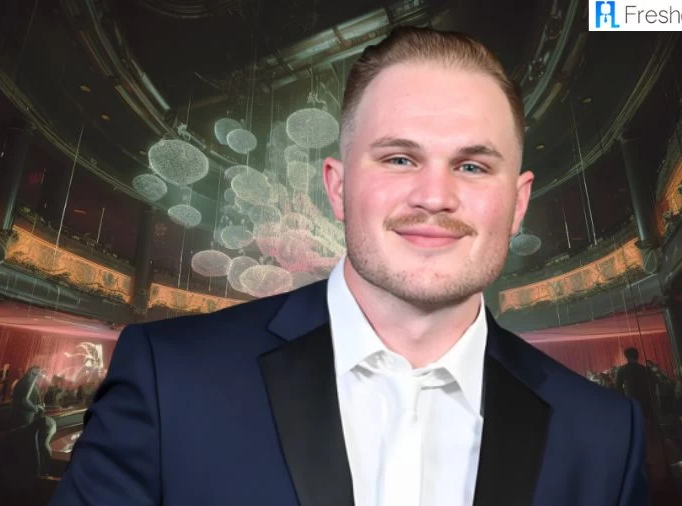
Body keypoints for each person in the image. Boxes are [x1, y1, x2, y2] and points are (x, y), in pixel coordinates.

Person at [51, 27, 647, 506]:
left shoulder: (604, 434)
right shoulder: (169, 378)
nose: (434, 197)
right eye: (399, 158)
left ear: (517, 203)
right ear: (337, 189)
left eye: (472, 167)